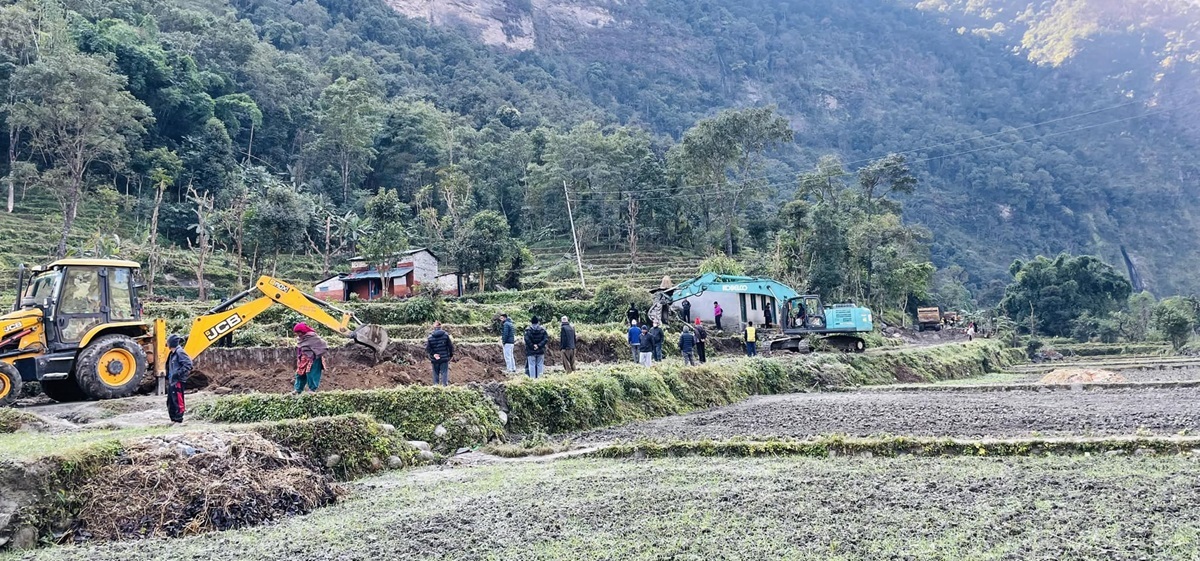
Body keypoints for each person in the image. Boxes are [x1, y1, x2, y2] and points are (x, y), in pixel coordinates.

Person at [294, 323, 329, 393]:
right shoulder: (301, 339)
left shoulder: (313, 337)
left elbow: (324, 346)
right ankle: (298, 389)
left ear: (303, 331)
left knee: (311, 374)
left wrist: (316, 354)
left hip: (313, 359)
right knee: (299, 374)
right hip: (303, 359)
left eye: (299, 332)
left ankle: (312, 389)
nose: (298, 334)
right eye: (297, 333)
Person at [165, 334, 192, 423]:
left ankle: (179, 419)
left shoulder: (180, 352)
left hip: (178, 381)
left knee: (178, 400)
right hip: (172, 380)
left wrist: (178, 374)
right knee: (171, 401)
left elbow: (188, 364)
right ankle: (173, 419)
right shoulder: (172, 353)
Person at [425, 321, 454, 386]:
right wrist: (451, 355)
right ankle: (444, 387)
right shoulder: (445, 335)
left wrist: (434, 354)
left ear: (434, 327)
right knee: (444, 373)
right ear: (440, 327)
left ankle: (436, 386)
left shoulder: (430, 337)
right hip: (444, 358)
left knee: (435, 373)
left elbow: (427, 348)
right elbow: (450, 346)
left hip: (435, 359)